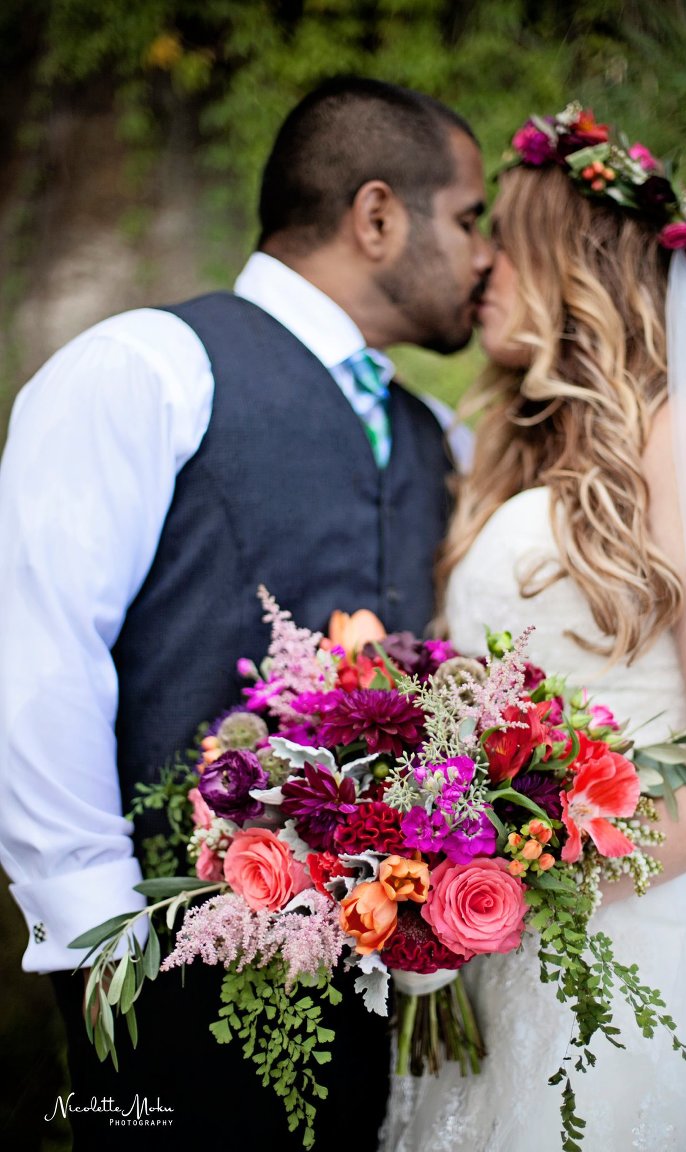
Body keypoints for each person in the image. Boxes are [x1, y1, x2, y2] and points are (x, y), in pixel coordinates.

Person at [0, 76, 492, 1150]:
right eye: (468, 219)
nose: (486, 253)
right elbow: (35, 657)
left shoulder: (434, 435)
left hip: (379, 991)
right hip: (169, 985)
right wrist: (109, 949)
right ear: (377, 217)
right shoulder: (143, 370)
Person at [380, 104, 686, 1151]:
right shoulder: (523, 447)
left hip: (647, 939)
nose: (481, 267)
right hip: (507, 942)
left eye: (504, 237)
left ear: (570, 258)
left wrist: (508, 885)